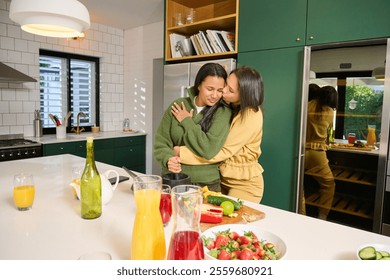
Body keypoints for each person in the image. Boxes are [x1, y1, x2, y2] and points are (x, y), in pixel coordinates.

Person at [169, 66, 265, 203]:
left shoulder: (251, 115)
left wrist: (181, 153)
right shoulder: (230, 106)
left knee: (232, 220)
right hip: (221, 179)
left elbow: (220, 151)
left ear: (243, 96)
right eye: (226, 84)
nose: (223, 91)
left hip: (244, 184)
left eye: (230, 90)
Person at [154, 62, 231, 192]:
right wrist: (168, 159)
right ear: (199, 85)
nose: (215, 95)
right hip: (173, 179)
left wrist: (186, 121)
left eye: (219, 90)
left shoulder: (223, 112)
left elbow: (208, 149)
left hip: (206, 184)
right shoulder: (178, 105)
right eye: (210, 89)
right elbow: (161, 142)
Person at [304, 85, 338, 220]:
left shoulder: (305, 106)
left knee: (298, 184)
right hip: (317, 154)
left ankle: (300, 213)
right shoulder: (329, 112)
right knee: (328, 184)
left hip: (301, 150)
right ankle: (322, 216)